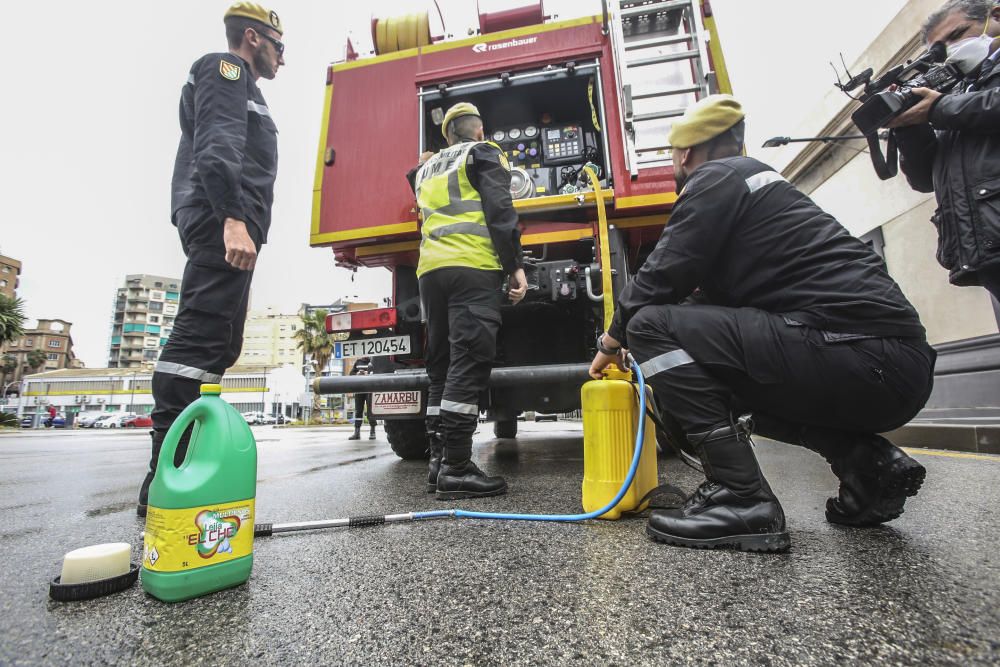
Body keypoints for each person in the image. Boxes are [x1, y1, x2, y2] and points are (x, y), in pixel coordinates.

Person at [589, 95, 936, 552]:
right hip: (888, 368)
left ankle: (741, 498)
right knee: (710, 372)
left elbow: (663, 274)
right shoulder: (759, 191)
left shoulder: (718, 177)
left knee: (649, 323)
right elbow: (697, 302)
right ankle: (867, 464)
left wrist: (611, 342)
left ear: (686, 153)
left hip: (860, 352)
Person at [137, 2, 284, 517]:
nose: (281, 59)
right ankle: (165, 477)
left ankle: (186, 468)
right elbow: (218, 146)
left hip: (230, 219)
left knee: (220, 342)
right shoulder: (225, 70)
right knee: (198, 338)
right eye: (277, 46)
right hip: (222, 218)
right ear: (252, 37)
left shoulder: (247, 86)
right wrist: (232, 218)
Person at [406, 102, 527, 499]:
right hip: (471, 267)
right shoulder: (484, 152)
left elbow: (414, 177)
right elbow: (499, 207)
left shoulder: (427, 167)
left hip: (430, 273)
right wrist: (515, 266)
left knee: (440, 366)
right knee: (469, 361)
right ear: (478, 130)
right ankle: (458, 467)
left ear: (449, 136)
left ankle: (439, 463)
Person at [889, 0, 1000, 299]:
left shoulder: (947, 103)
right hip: (986, 253)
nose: (951, 49)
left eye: (957, 34)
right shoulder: (955, 94)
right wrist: (909, 126)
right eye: (938, 49)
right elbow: (925, 179)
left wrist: (939, 107)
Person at [348, 357, 376, 440]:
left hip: (370, 389)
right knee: (358, 411)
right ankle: (357, 433)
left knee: (371, 411)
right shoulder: (358, 362)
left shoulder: (374, 361)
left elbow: (378, 372)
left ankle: (372, 432)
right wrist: (357, 374)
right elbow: (351, 374)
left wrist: (368, 373)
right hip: (359, 389)